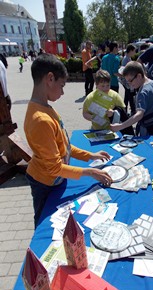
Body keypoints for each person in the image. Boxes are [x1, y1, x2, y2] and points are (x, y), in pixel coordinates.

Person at [24, 54, 112, 228]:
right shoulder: (41, 119)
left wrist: (90, 155)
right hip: (45, 183)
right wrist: (91, 172)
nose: (63, 92)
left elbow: (64, 146)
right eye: (62, 85)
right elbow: (55, 167)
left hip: (54, 179)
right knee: (43, 223)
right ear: (50, 78)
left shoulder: (46, 108)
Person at [110, 61, 153, 137]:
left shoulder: (142, 92)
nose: (130, 84)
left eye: (130, 81)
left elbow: (139, 115)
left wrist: (121, 126)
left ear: (139, 76)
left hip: (149, 128)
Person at [83, 69, 134, 135]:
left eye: (108, 85)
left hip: (113, 130)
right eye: (102, 86)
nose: (105, 88)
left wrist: (113, 113)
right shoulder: (90, 97)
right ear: (96, 84)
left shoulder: (114, 95)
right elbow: (85, 113)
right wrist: (92, 118)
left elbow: (123, 111)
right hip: (96, 129)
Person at [121, 44, 137, 115]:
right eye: (134, 51)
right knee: (128, 96)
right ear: (130, 50)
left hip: (128, 81)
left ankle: (129, 110)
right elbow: (124, 70)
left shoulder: (128, 58)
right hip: (127, 81)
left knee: (129, 96)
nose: (135, 52)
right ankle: (127, 110)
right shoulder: (126, 59)